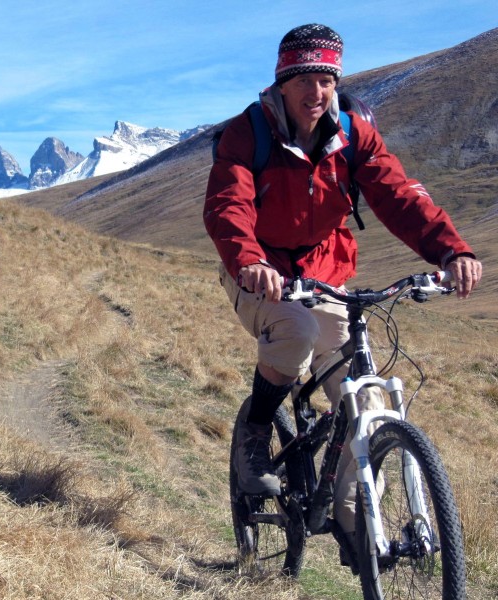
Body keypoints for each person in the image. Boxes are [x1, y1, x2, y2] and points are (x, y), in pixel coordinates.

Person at [203, 23, 482, 563]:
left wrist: (451, 250)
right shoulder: (248, 134)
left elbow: (400, 195)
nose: (317, 92)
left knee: (366, 400)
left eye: (327, 79)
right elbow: (227, 207)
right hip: (258, 272)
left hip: (326, 273)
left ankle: (360, 530)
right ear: (282, 83)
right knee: (298, 331)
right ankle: (256, 433)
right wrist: (250, 260)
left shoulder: (354, 135)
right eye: (305, 79)